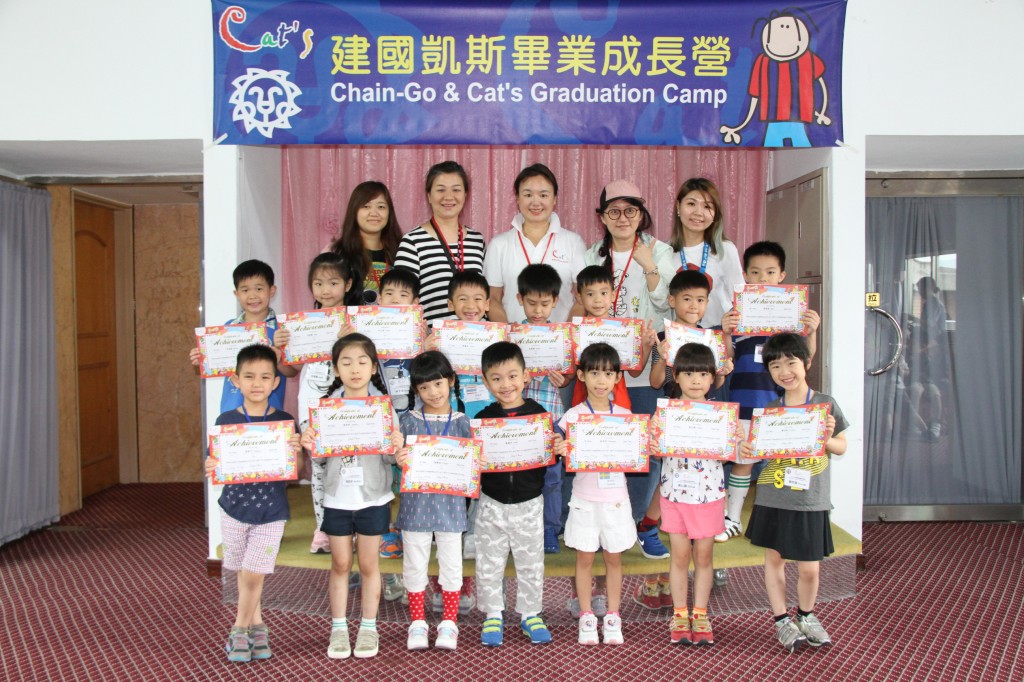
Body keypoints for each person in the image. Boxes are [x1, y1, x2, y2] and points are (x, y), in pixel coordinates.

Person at [635, 270, 734, 612]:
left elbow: (716, 384)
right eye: (687, 299)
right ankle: (650, 525)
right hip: (672, 417)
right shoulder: (665, 336)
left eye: (700, 300)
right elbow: (655, 381)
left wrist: (723, 369)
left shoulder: (712, 338)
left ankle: (698, 526)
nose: (694, 305)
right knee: (667, 476)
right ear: (672, 301)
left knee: (701, 477)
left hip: (704, 416)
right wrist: (662, 355)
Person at [299, 334, 402, 661]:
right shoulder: (326, 409)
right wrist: (311, 442)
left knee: (370, 565)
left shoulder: (383, 409)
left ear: (373, 368)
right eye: (346, 362)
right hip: (337, 499)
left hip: (373, 498)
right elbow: (319, 461)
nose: (354, 369)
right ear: (335, 369)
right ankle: (339, 627)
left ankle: (369, 627)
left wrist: (396, 445)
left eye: (362, 362)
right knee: (341, 563)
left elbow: (391, 459)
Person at [745, 332, 848, 652]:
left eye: (791, 362)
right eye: (775, 366)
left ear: (806, 362)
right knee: (774, 559)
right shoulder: (770, 410)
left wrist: (826, 439)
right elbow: (758, 452)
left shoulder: (824, 404)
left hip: (810, 499)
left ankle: (806, 615)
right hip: (774, 496)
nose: (784, 371)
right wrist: (748, 448)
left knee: (809, 567)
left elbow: (841, 447)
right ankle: (781, 620)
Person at [204, 344, 301, 663]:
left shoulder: (285, 422)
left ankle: (238, 629)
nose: (257, 383)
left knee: (255, 572)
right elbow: (213, 461)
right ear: (236, 381)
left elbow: (296, 471)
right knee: (245, 571)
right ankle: (259, 626)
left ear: (276, 382)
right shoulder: (226, 420)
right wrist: (210, 464)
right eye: (249, 376)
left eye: (264, 377)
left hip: (272, 511)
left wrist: (296, 453)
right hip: (234, 508)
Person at [718, 242, 820, 543]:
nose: (763, 278)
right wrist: (725, 332)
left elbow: (806, 359)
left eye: (770, 272)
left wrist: (812, 331)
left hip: (780, 406)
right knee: (743, 461)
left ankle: (782, 519)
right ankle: (732, 518)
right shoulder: (737, 315)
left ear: (782, 276)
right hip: (746, 403)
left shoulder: (793, 316)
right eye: (755, 272)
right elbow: (727, 359)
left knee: (781, 462)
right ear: (745, 275)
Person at [473, 342, 566, 646]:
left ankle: (531, 613)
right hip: (492, 503)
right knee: (489, 561)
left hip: (529, 503)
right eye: (496, 378)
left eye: (512, 376)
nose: (506, 384)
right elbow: (473, 462)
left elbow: (551, 453)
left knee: (531, 562)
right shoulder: (483, 419)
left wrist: (557, 446)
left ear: (526, 376)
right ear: (486, 382)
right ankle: (493, 614)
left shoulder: (540, 416)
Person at [274, 252, 358, 555]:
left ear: (348, 284)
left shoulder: (356, 321)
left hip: (348, 406)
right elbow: (290, 371)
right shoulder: (301, 324)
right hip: (311, 405)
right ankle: (324, 528)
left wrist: (350, 339)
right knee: (320, 468)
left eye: (333, 282)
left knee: (351, 466)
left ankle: (353, 528)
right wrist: (280, 350)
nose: (325, 290)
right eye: (318, 283)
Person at [651, 344, 734, 646]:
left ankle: (700, 613)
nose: (696, 380)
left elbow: (726, 455)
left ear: (712, 377)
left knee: (704, 556)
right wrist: (653, 439)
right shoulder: (665, 412)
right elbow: (654, 452)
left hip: (709, 495)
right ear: (676, 376)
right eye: (688, 373)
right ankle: (679, 613)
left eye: (702, 373)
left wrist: (732, 440)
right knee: (680, 556)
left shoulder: (720, 415)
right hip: (674, 494)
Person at [557, 343, 635, 646]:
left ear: (617, 378)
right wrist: (559, 446)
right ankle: (587, 615)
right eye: (594, 373)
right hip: (584, 500)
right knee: (585, 558)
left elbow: (637, 452)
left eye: (608, 374)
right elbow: (556, 441)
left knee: (614, 559)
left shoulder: (626, 417)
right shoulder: (573, 415)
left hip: (616, 500)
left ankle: (613, 615)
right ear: (581, 376)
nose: (601, 381)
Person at [395, 351, 471, 651]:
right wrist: (397, 457)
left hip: (451, 510)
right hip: (415, 509)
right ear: (416, 390)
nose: (433, 392)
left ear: (451, 381)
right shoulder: (407, 422)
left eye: (438, 383)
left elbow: (473, 465)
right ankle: (417, 622)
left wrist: (476, 463)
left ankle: (449, 623)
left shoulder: (464, 423)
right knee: (414, 565)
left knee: (451, 565)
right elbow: (392, 455)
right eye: (424, 387)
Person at [483, 163, 586, 323]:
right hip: (513, 336)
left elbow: (582, 297)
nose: (535, 202)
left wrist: (567, 333)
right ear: (517, 199)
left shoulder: (573, 242)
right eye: (528, 195)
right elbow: (493, 298)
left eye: (543, 195)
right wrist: (507, 333)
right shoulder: (499, 245)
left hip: (560, 336)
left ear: (554, 199)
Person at [514, 264, 571, 554]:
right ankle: (522, 530)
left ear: (555, 302)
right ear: (519, 299)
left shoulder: (562, 336)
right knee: (521, 476)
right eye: (531, 303)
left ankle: (550, 528)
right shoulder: (513, 336)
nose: (538, 310)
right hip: (520, 417)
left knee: (552, 478)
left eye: (545, 304)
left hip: (552, 416)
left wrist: (565, 379)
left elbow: (570, 375)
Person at [189, 260, 287, 413]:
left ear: (272, 290)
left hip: (269, 412)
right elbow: (214, 365)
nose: (252, 296)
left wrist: (279, 359)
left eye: (259, 288)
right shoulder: (227, 329)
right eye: (245, 290)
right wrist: (202, 359)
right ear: (236, 294)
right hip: (232, 410)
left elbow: (292, 372)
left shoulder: (281, 329)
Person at [394, 160, 486, 321]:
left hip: (476, 334)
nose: (448, 197)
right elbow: (401, 300)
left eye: (456, 190)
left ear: (465, 195)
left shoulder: (477, 241)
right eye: (440, 190)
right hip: (434, 335)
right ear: (429, 196)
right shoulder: (412, 242)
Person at [669, 178, 745, 327]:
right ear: (678, 206)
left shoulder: (725, 250)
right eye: (691, 204)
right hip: (679, 334)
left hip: (718, 333)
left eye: (707, 206)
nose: (698, 213)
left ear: (715, 214)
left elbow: (741, 299)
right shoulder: (665, 252)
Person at [329, 181, 404, 299]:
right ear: (354, 211)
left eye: (381, 207)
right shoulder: (337, 253)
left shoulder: (403, 251)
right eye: (366, 206)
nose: (374, 213)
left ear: (389, 212)